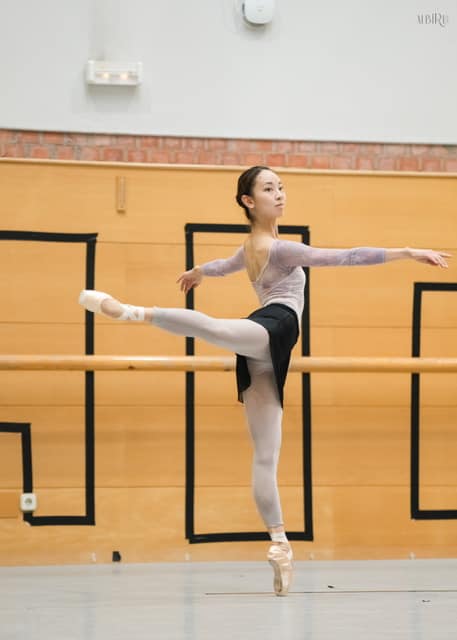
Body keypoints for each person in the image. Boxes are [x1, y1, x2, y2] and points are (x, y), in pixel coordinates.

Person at [79, 165, 451, 596]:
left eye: (282, 186)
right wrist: (406, 251)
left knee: (264, 456)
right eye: (269, 188)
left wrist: (199, 271)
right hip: (275, 327)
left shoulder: (250, 247)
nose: (280, 194)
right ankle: (132, 312)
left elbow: (223, 266)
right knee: (216, 328)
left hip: (268, 351)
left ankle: (279, 545)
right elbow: (345, 256)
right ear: (248, 201)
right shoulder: (279, 248)